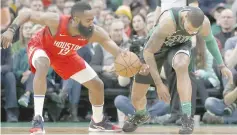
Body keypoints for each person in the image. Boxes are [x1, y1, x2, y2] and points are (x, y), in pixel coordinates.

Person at [1, 1, 127, 133]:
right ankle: (38, 119)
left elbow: (114, 48)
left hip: (65, 54)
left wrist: (128, 61)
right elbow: (26, 13)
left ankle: (97, 121)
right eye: (88, 20)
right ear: (76, 20)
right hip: (41, 47)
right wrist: (10, 30)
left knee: (97, 85)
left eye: (92, 20)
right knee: (43, 65)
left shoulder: (94, 32)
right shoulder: (56, 21)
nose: (91, 24)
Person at [122, 6, 233, 134]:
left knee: (182, 65)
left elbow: (210, 41)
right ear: (184, 18)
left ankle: (186, 116)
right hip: (154, 49)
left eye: (194, 32)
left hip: (179, 45)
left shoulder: (204, 23)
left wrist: (222, 65)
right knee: (136, 96)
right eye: (189, 29)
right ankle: (141, 114)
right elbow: (148, 52)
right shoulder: (167, 23)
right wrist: (159, 84)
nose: (191, 33)